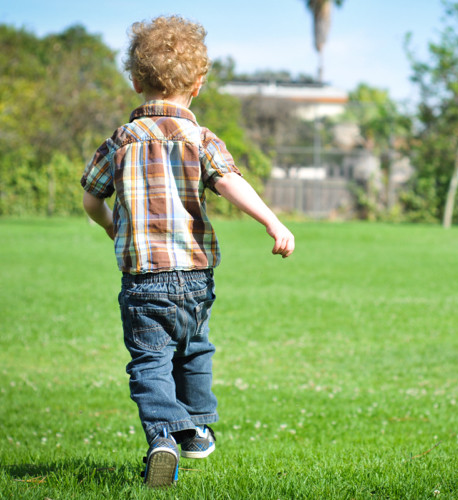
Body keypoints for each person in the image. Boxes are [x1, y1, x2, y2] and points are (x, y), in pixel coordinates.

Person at [80, 15, 295, 487]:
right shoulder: (200, 139)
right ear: (197, 85)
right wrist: (271, 221)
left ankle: (162, 436)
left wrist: (114, 227)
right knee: (196, 348)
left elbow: (91, 198)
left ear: (135, 81)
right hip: (195, 276)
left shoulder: (120, 141)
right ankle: (196, 426)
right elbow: (229, 181)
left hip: (142, 278)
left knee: (149, 360)